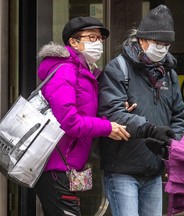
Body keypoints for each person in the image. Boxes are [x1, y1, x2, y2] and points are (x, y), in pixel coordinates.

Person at [33, 16, 131, 216]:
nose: (98, 43)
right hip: (56, 166)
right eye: (91, 37)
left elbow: (86, 112)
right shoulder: (66, 71)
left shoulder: (85, 72)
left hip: (68, 166)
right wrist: (107, 128)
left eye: (100, 39)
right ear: (73, 42)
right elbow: (69, 121)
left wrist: (116, 112)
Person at [97, 4, 184, 216]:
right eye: (158, 43)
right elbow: (113, 113)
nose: (163, 49)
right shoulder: (118, 68)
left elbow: (179, 117)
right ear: (142, 40)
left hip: (154, 170)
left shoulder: (169, 74)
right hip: (122, 170)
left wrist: (172, 144)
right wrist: (150, 129)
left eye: (167, 44)